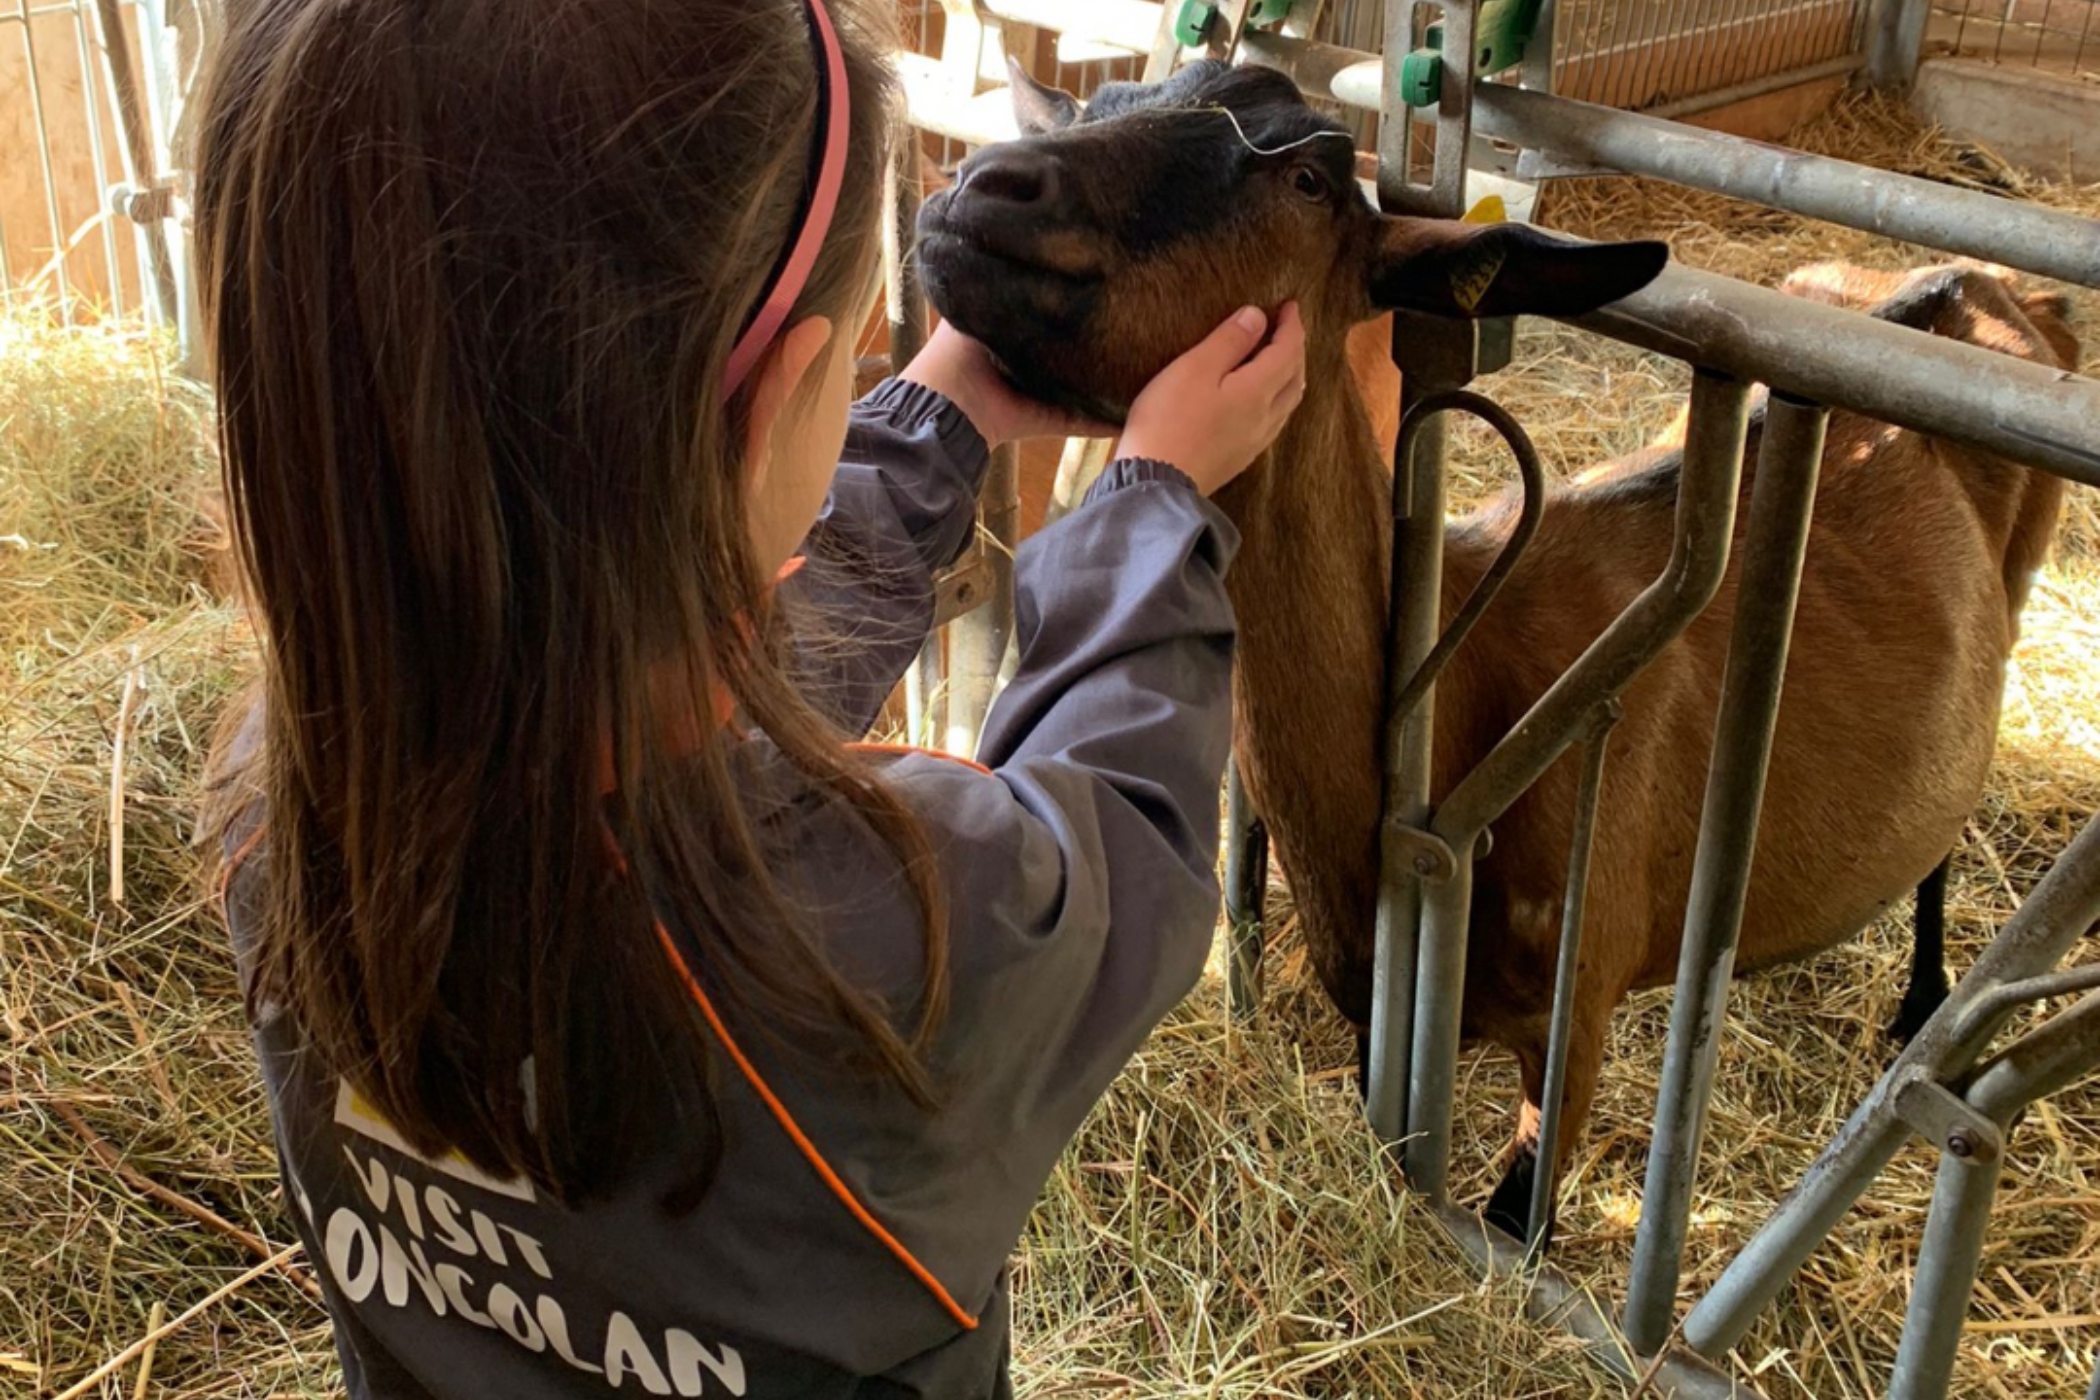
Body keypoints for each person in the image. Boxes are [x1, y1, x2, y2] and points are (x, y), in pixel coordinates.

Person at [195, 0, 1305, 1395]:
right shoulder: (916, 936)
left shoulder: (280, 800)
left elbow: (615, 614)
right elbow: (1127, 838)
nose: (865, 387)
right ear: (786, 395)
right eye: (851, 370)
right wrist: (1151, 507)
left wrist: (933, 411)